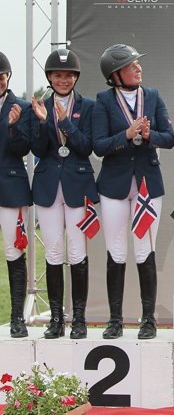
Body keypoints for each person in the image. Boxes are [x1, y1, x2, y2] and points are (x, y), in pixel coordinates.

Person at [93, 44, 174, 340]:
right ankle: (115, 320)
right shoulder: (103, 100)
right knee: (116, 251)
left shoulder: (152, 96)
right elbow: (99, 145)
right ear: (115, 74)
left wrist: (149, 135)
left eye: (138, 63)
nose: (138, 68)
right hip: (114, 185)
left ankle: (149, 319)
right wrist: (126, 136)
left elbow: (170, 138)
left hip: (147, 184)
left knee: (145, 250)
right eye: (131, 65)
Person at [30, 49, 98, 339]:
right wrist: (43, 122)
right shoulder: (40, 106)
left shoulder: (88, 106)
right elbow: (37, 149)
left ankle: (79, 318)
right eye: (57, 75)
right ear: (50, 77)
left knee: (77, 250)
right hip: (48, 186)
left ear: (76, 77)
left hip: (77, 185)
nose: (63, 80)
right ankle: (56, 318)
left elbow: (86, 147)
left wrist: (65, 124)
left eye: (68, 75)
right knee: (54, 251)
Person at [0, 51, 32, 338]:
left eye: (2, 76)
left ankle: (17, 318)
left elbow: (23, 148)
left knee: (14, 251)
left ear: (8, 77)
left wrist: (13, 127)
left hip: (10, 186)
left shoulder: (21, 107)